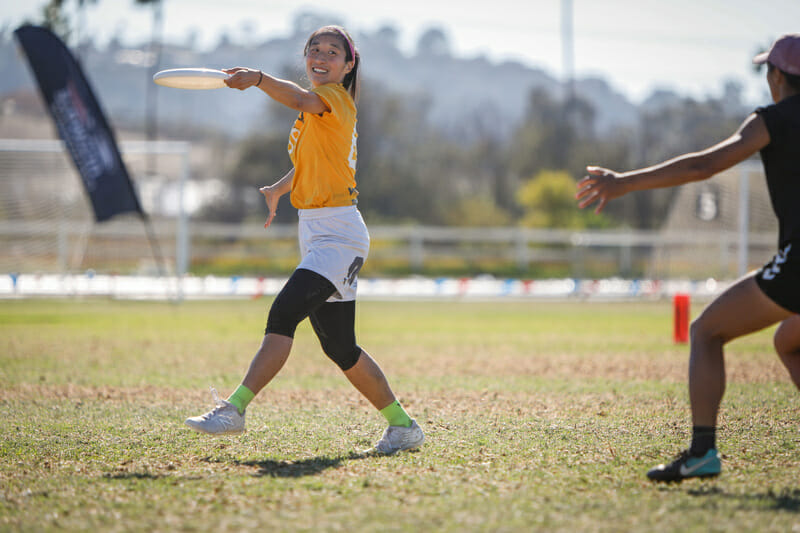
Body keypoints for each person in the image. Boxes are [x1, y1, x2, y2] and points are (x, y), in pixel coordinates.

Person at [185, 25, 425, 455]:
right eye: (314, 48)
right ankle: (403, 427)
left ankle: (234, 409)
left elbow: (297, 97)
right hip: (318, 231)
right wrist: (280, 189)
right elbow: (314, 163)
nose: (321, 55)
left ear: (348, 65)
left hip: (339, 234)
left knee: (282, 314)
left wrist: (258, 78)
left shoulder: (332, 98)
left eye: (333, 51)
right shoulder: (316, 112)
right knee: (340, 348)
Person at [575, 33, 800, 482]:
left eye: (766, 72)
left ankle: (701, 452)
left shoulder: (773, 118)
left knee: (706, 331)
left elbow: (704, 166)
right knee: (788, 342)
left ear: (777, 75)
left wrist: (624, 182)